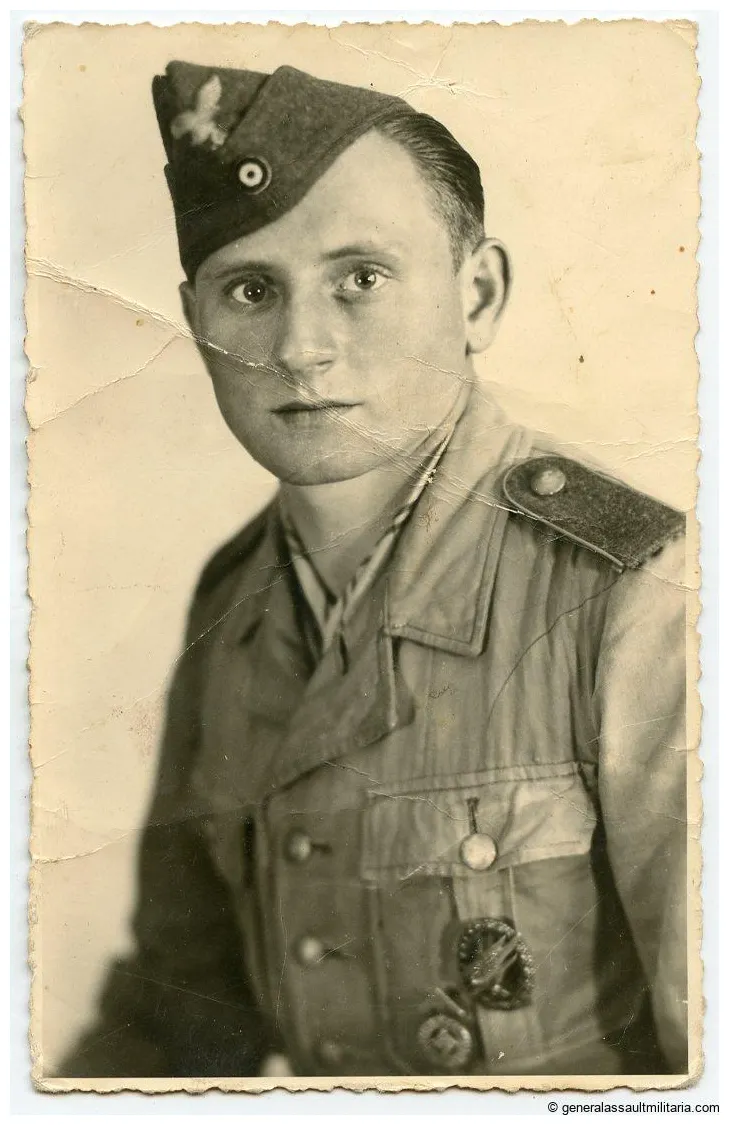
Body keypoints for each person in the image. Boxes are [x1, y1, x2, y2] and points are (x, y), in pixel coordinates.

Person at [61, 60, 688, 1079]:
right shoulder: (233, 608)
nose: (302, 348)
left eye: (361, 277)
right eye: (252, 290)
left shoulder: (635, 589)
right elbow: (177, 1021)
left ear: (477, 295)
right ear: (196, 324)